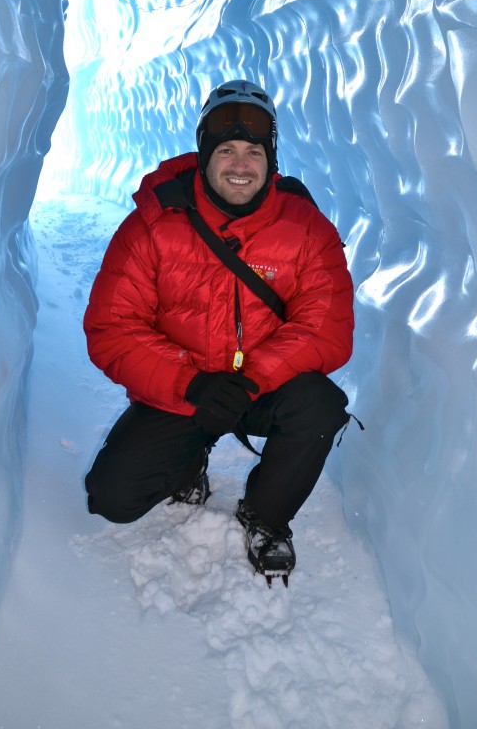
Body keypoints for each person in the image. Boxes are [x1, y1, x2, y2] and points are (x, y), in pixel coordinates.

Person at [83, 79, 354, 584]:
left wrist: (251, 379)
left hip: (261, 388)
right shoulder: (153, 224)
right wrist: (191, 384)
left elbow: (326, 327)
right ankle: (189, 463)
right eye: (226, 149)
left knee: (320, 404)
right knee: (111, 500)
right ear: (203, 153)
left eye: (253, 150)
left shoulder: (307, 228)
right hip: (184, 390)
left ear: (270, 159)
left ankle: (265, 516)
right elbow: (111, 328)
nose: (239, 164)